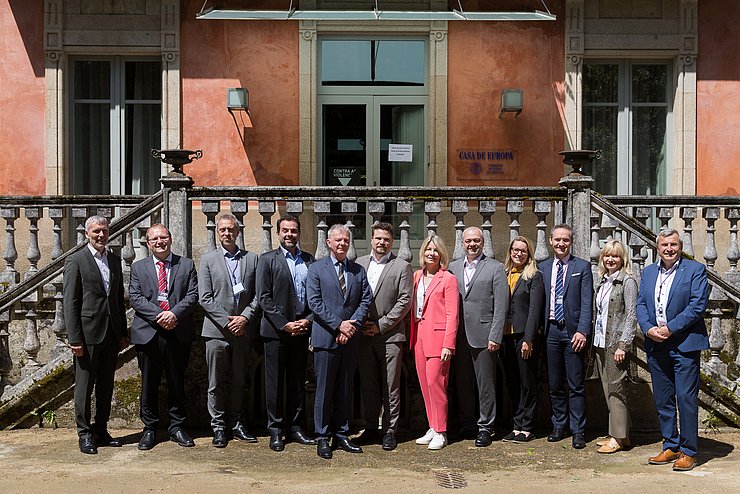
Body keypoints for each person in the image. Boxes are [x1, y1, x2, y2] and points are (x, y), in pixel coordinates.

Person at [637, 229, 709, 472]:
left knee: (686, 398)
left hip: (684, 344)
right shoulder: (647, 272)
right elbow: (641, 304)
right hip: (656, 344)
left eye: (674, 244)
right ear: (657, 247)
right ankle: (671, 445)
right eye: (665, 245)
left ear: (680, 246)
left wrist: (670, 329)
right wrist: (648, 329)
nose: (669, 249)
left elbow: (697, 306)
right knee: (663, 398)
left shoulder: (695, 270)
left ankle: (689, 451)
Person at [129, 223, 199, 451]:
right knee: (149, 383)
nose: (159, 242)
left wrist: (173, 314)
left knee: (176, 381)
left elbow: (192, 295)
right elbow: (135, 298)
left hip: (177, 331)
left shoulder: (186, 265)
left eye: (163, 237)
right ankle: (149, 428)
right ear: (148, 243)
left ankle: (177, 427)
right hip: (149, 332)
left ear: (170, 239)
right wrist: (160, 315)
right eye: (154, 239)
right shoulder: (138, 267)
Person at [63, 215, 128, 454]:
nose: (101, 235)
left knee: (105, 386)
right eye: (96, 231)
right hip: (87, 335)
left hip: (111, 334)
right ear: (86, 234)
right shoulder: (75, 260)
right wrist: (75, 338)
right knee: (83, 387)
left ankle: (101, 429)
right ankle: (84, 433)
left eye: (104, 231)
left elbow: (118, 299)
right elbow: (70, 302)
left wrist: (122, 332)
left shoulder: (114, 260)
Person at [307, 224, 373, 459]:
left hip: (350, 339)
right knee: (324, 391)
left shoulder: (357, 271)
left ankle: (342, 434)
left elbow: (365, 300)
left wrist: (352, 325)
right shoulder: (316, 269)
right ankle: (323, 436)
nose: (343, 243)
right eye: (338, 240)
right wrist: (339, 324)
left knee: (345, 389)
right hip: (326, 337)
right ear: (328, 242)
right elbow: (314, 303)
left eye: (346, 240)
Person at [198, 214, 260, 448]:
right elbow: (204, 298)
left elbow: (257, 296)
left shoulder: (252, 259)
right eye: (222, 230)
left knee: (239, 380)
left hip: (243, 331)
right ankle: (218, 426)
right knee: (216, 382)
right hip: (216, 331)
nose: (226, 233)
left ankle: (236, 422)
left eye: (230, 230)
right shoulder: (207, 259)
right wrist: (227, 321)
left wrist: (244, 318)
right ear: (217, 232)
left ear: (238, 232)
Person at [256, 215, 317, 452]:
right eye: (285, 231)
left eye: (293, 231)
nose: (289, 234)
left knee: (297, 383)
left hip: (301, 331)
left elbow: (314, 296)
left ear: (299, 233)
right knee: (274, 384)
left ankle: (296, 427)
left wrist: (308, 321)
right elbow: (263, 297)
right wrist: (284, 324)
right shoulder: (267, 260)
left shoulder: (309, 260)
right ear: (278, 233)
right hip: (276, 332)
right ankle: (275, 430)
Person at [448, 227, 508, 447]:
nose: (472, 244)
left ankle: (486, 427)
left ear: (483, 242)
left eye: (476, 241)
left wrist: (495, 335)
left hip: (484, 335)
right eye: (468, 241)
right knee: (462, 382)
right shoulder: (452, 268)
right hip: (459, 335)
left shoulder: (495, 268)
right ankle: (467, 423)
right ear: (462, 243)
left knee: (485, 384)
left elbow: (501, 306)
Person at [355, 222, 413, 451]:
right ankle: (370, 427)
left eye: (386, 240)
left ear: (392, 242)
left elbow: (404, 302)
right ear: (371, 240)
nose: (382, 242)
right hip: (363, 335)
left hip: (390, 335)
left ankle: (389, 431)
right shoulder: (359, 264)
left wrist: (380, 325)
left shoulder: (402, 266)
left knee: (391, 386)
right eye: (378, 238)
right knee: (368, 384)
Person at [540, 224, 593, 449]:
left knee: (575, 384)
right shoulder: (542, 268)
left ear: (571, 242)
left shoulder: (582, 266)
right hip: (550, 331)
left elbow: (587, 302)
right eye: (558, 239)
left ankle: (578, 430)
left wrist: (582, 330)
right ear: (550, 241)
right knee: (554, 383)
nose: (561, 244)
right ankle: (559, 425)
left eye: (566, 240)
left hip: (573, 332)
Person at [411, 235, 459, 451]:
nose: (431, 253)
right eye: (428, 249)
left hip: (439, 339)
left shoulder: (447, 279)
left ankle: (441, 431)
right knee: (424, 384)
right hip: (419, 335)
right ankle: (432, 425)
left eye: (435, 250)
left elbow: (452, 314)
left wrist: (448, 344)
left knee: (436, 383)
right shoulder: (416, 276)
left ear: (441, 255)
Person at [592, 239, 637, 454]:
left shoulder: (627, 282)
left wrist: (623, 344)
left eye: (615, 256)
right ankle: (622, 433)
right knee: (607, 388)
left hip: (615, 344)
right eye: (607, 256)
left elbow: (631, 316)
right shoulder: (603, 281)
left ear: (622, 259)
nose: (611, 259)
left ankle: (617, 438)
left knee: (616, 390)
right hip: (601, 341)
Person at [501, 236, 543, 444]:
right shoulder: (504, 273)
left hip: (524, 337)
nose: (518, 253)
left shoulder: (533, 276)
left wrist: (529, 339)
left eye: (523, 251)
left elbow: (534, 310)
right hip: (506, 337)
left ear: (529, 254)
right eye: (515, 250)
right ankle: (516, 425)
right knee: (513, 382)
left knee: (527, 382)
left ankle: (527, 426)